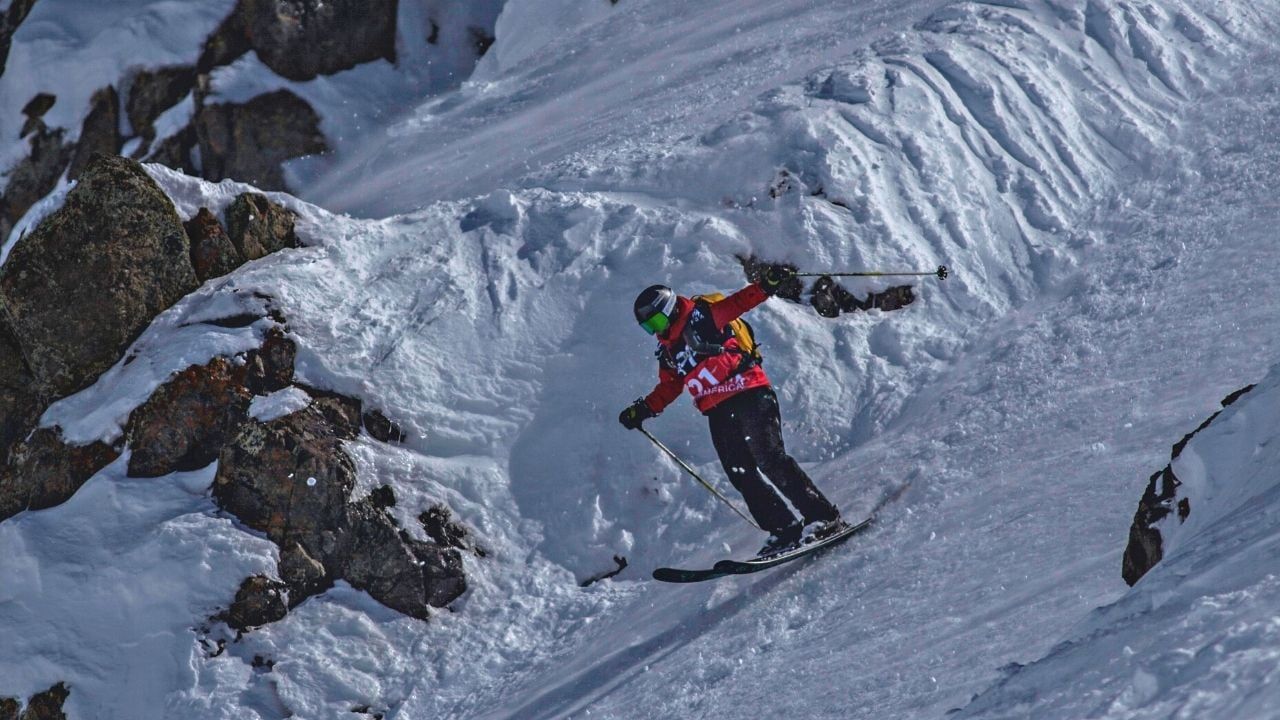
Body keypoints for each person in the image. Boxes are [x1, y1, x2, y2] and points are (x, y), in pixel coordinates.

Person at [618, 266, 846, 555]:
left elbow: (738, 303)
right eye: (649, 327)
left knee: (770, 459)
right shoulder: (669, 353)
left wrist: (767, 285)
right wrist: (643, 410)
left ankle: (824, 517)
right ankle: (784, 529)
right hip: (717, 410)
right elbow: (669, 387)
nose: (656, 330)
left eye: (657, 321)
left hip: (749, 392)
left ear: (671, 308)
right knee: (741, 473)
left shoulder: (701, 317)